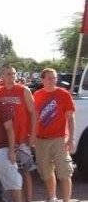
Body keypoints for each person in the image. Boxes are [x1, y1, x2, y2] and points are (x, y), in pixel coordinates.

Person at [0, 64, 37, 202]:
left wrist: (33, 135)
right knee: (10, 174)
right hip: (5, 142)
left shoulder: (24, 90)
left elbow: (33, 113)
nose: (12, 76)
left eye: (13, 73)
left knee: (26, 172)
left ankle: (28, 199)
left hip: (22, 139)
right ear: (2, 76)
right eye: (8, 74)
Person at [33, 68, 75, 202]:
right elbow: (34, 117)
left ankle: (66, 200)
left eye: (55, 78)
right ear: (43, 80)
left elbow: (71, 118)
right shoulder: (37, 95)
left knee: (64, 172)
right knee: (46, 172)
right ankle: (52, 198)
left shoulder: (64, 94)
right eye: (50, 78)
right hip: (41, 140)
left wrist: (71, 139)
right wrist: (32, 136)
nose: (53, 80)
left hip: (59, 139)